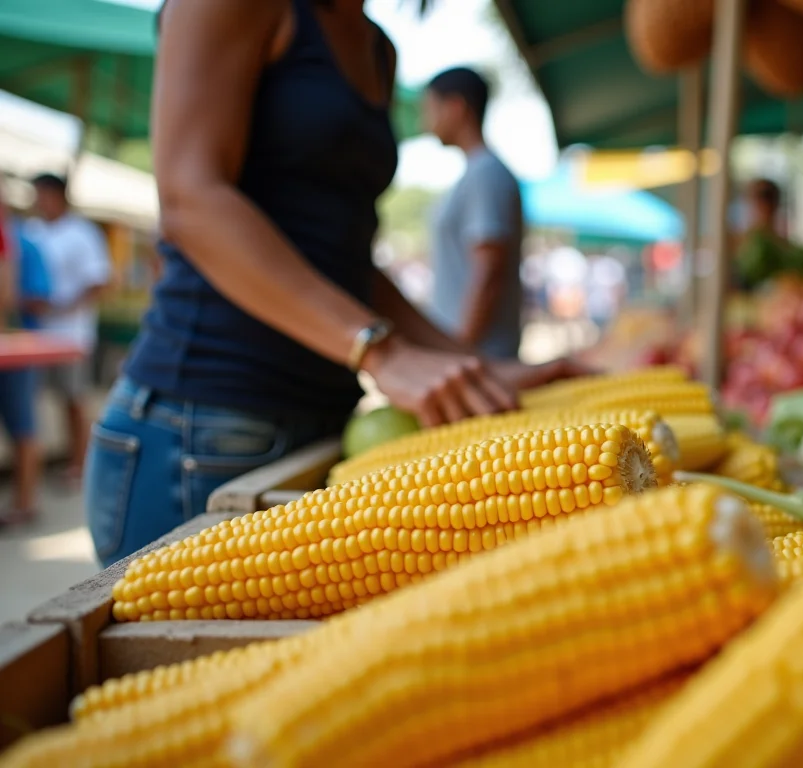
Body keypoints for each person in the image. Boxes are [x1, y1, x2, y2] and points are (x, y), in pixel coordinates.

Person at [85, 0, 584, 567]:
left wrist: (472, 364)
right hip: (202, 426)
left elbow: (347, 261)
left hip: (329, 427)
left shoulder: (379, 49)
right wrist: (379, 349)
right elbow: (191, 200)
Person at [423, 67, 525, 360]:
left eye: (431, 109)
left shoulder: (485, 174)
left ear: (456, 107)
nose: (427, 122)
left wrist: (460, 351)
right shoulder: (477, 174)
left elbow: (489, 272)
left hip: (480, 356)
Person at [23, 173, 112, 485]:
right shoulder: (33, 231)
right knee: (35, 402)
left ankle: (80, 463)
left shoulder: (82, 233)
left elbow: (99, 281)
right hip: (36, 333)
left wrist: (62, 307)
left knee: (73, 399)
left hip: (71, 334)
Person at [0, 194, 52, 526]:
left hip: (16, 344)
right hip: (16, 340)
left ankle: (25, 502)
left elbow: (27, 297)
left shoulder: (20, 241)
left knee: (23, 425)